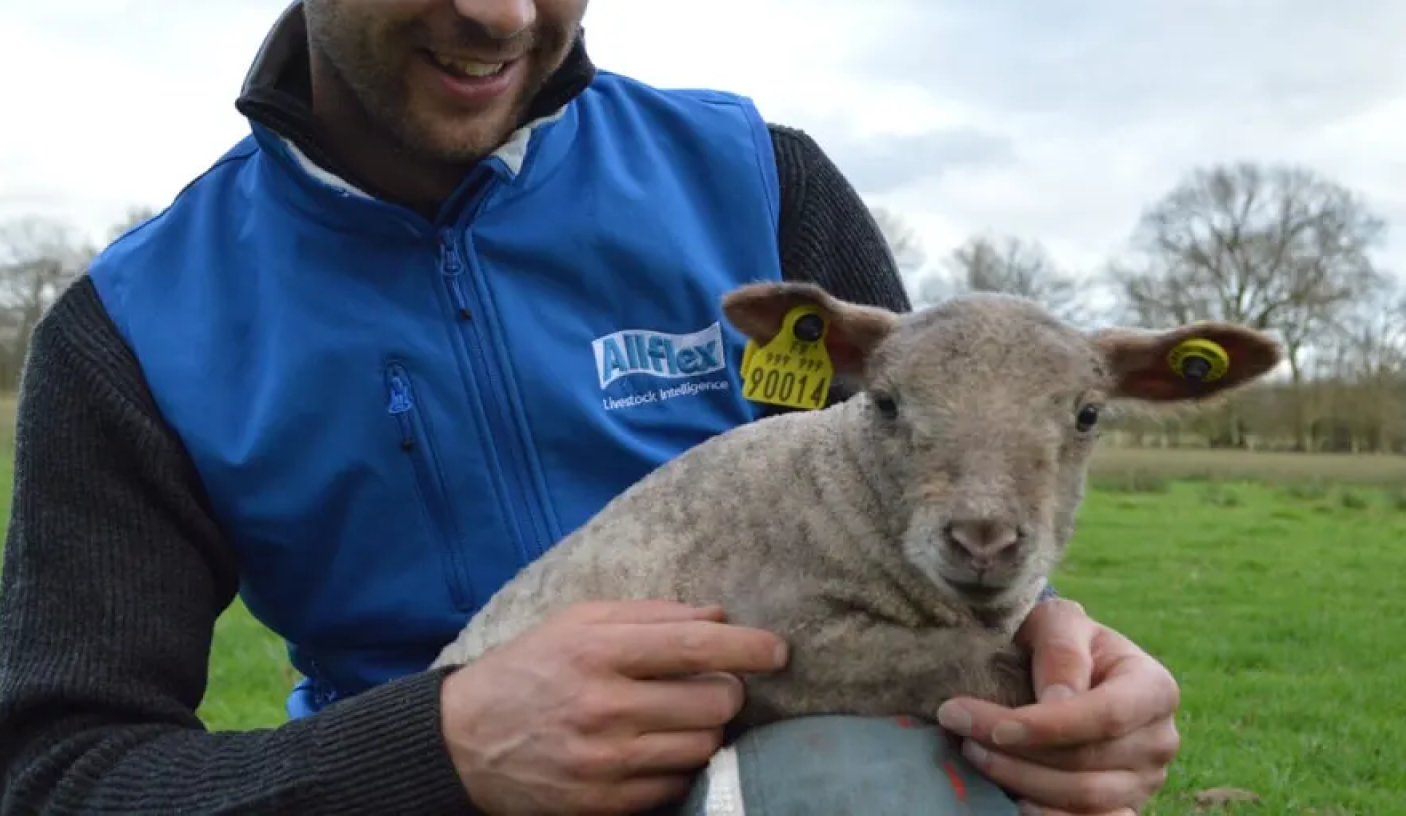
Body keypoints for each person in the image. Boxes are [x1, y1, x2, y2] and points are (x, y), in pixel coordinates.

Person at [0, 1, 1181, 814]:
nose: (503, 16)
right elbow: (58, 772)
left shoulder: (760, 186)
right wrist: (431, 753)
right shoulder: (134, 329)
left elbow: (924, 520)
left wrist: (1057, 672)